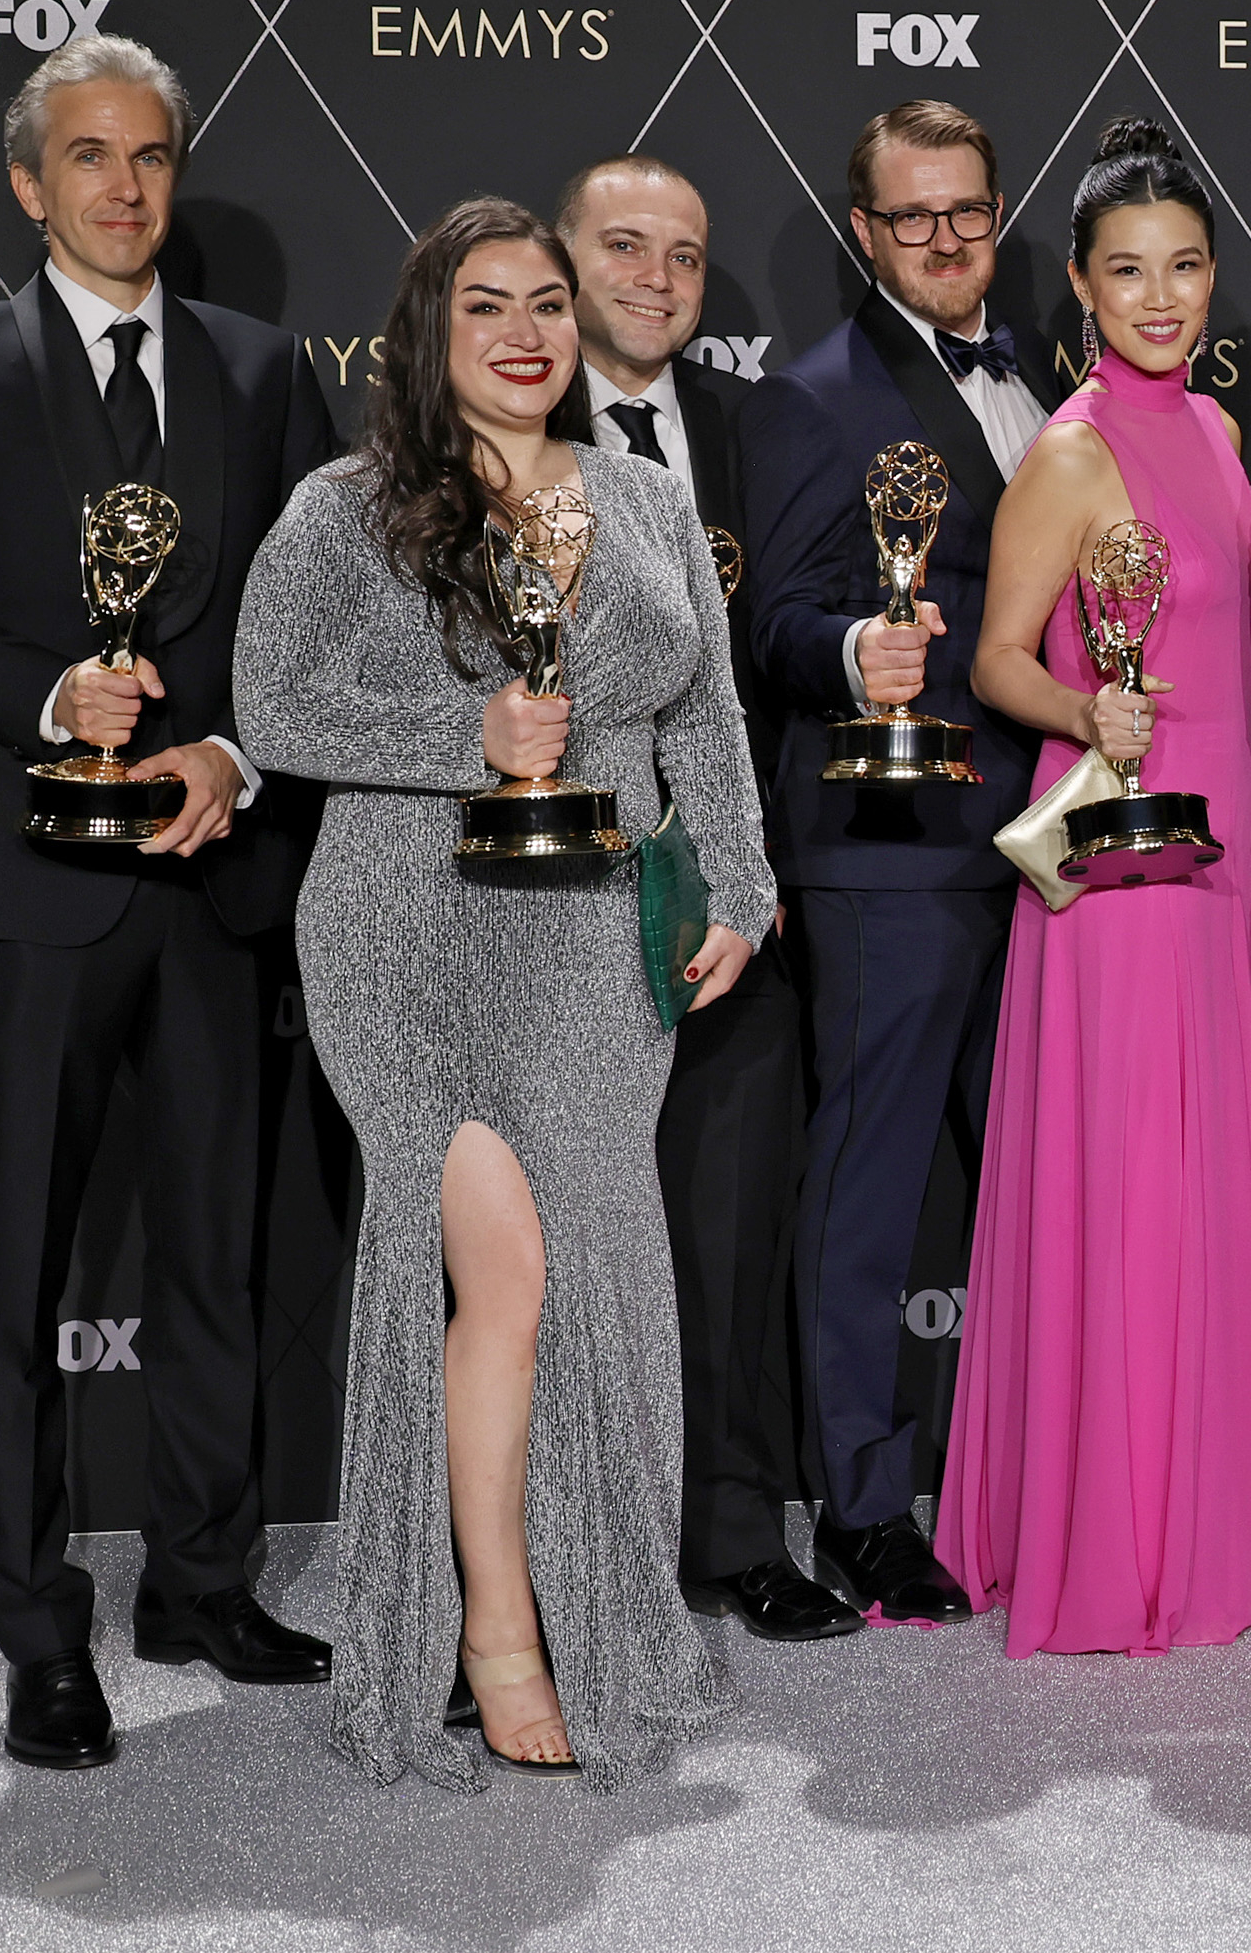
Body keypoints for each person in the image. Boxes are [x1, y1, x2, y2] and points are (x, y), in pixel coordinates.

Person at [0, 35, 336, 1772]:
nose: (123, 187)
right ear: (26, 183)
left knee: (217, 1250)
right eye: (87, 156)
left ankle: (203, 1579)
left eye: (150, 156)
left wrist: (233, 753)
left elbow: (315, 620)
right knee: (15, 1268)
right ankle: (37, 1626)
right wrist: (55, 694)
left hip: (211, 876)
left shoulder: (264, 372)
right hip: (27, 889)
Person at [233, 195, 773, 1785]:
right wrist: (458, 737)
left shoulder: (645, 498)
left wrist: (740, 886)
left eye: (546, 300)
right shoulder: (348, 508)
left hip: (597, 943)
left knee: (596, 1285)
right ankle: (498, 1629)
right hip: (408, 931)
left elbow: (706, 714)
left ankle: (597, 1596)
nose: (526, 332)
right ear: (429, 330)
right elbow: (271, 704)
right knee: (511, 1274)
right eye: (486, 304)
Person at [934, 120, 1251, 1656]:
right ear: (1078, 283)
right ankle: (1121, 1537)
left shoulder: (1221, 433)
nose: (1161, 296)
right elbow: (997, 657)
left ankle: (1229, 1514)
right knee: (1131, 1193)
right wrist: (1078, 708)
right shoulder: (1069, 451)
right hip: (1117, 866)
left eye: (1183, 266)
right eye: (1129, 271)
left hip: (1228, 861)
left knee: (1227, 1179)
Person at [740, 100, 1060, 1629]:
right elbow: (775, 618)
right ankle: (863, 1508)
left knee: (1040, 1185)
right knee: (868, 1192)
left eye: (966, 209)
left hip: (1048, 844)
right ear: (863, 231)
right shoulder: (811, 396)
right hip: (887, 848)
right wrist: (849, 650)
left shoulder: (1049, 380)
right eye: (911, 214)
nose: (943, 238)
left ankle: (1038, 1483)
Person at [556, 155, 851, 1646]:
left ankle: (735, 1530)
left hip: (736, 894)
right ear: (564, 259)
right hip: (544, 898)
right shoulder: (496, 427)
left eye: (683, 254)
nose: (657, 278)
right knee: (554, 1243)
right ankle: (563, 1553)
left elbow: (785, 662)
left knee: (732, 1226)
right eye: (625, 246)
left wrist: (755, 870)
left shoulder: (760, 428)